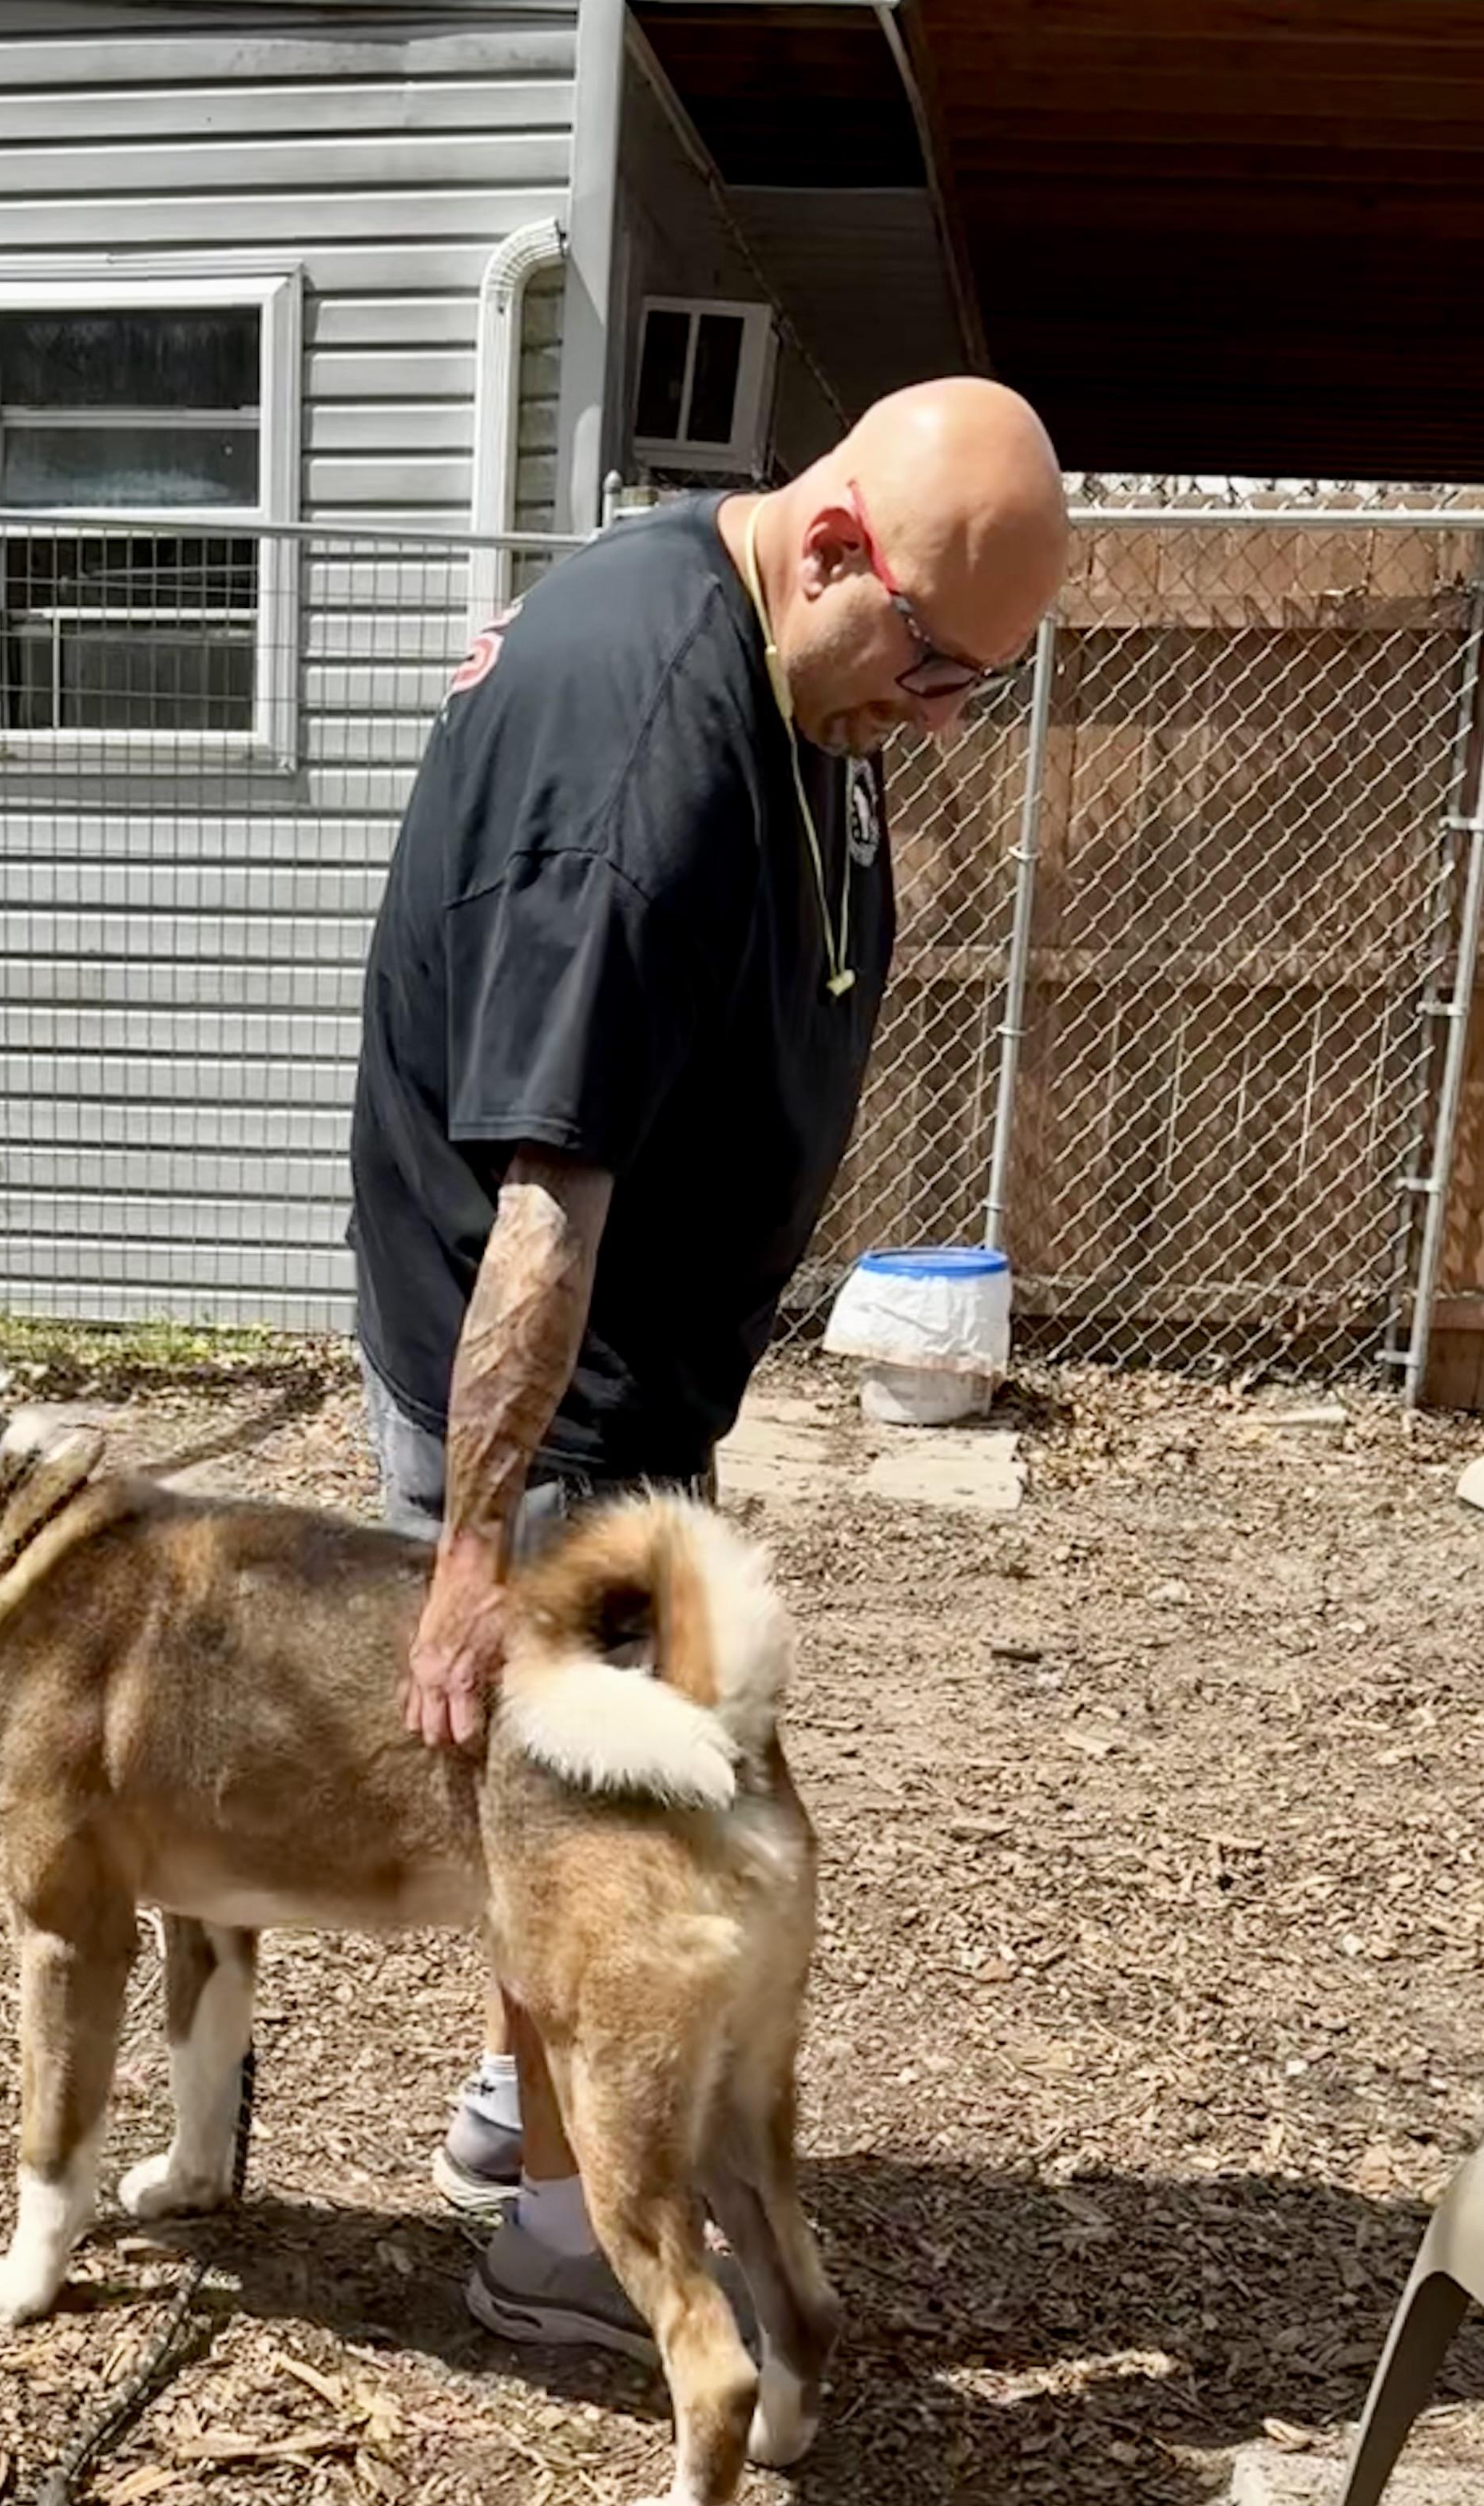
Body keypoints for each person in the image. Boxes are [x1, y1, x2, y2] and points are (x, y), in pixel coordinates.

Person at [348, 375, 1069, 2355]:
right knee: (589, 1819)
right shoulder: (642, 760)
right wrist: (477, 1549)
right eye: (936, 666)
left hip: (634, 1372)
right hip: (546, 1381)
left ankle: (513, 2114)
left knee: (608, 1788)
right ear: (834, 545)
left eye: (978, 681)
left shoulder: (787, 645)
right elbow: (542, 1216)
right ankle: (559, 2240)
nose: (944, 716)